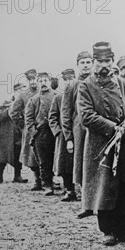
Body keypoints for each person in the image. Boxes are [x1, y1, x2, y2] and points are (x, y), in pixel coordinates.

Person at [77, 42, 125, 246]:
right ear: (94, 62)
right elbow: (86, 116)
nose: (104, 65)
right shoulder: (85, 85)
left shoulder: (123, 83)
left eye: (108, 61)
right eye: (100, 61)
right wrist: (113, 128)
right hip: (100, 145)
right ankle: (108, 230)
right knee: (104, 186)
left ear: (113, 61)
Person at [61, 51, 94, 209]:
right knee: (81, 163)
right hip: (79, 129)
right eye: (83, 62)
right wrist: (68, 137)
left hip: (97, 127)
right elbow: (66, 113)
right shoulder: (72, 85)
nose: (86, 65)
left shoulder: (96, 82)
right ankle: (86, 203)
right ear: (78, 65)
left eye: (88, 62)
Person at [25, 72, 57, 195]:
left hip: (56, 132)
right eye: (40, 81)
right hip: (41, 134)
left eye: (45, 80)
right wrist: (34, 132)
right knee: (44, 161)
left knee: (58, 158)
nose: (43, 83)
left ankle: (67, 185)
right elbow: (29, 118)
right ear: (37, 83)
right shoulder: (33, 100)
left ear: (50, 81)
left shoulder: (57, 96)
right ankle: (48, 185)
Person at [0, 83, 27, 184]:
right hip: (6, 134)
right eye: (20, 90)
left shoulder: (25, 102)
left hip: (18, 133)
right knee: (1, 156)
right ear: (15, 91)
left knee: (18, 155)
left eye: (23, 91)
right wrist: (9, 110)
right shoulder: (6, 103)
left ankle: (17, 176)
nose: (22, 93)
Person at [9, 69, 41, 189]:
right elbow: (13, 112)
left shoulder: (45, 92)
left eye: (35, 79)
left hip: (46, 130)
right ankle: (38, 180)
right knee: (32, 156)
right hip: (30, 131)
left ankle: (48, 180)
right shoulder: (23, 95)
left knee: (48, 155)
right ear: (27, 81)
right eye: (30, 79)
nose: (33, 82)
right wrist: (23, 125)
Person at [49, 69, 76, 200]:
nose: (68, 83)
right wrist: (58, 132)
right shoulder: (58, 98)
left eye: (71, 79)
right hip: (64, 135)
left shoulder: (81, 93)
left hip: (80, 133)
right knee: (66, 165)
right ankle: (70, 190)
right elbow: (52, 117)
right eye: (66, 80)